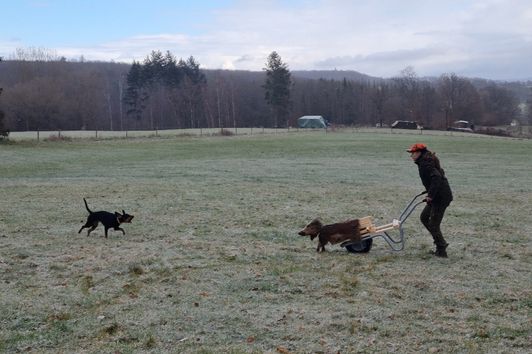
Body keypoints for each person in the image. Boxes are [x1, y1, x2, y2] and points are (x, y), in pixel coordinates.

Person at [407, 143, 453, 257]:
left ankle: (441, 249)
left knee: (433, 224)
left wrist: (430, 195)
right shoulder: (425, 161)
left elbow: (437, 177)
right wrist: (428, 191)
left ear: (418, 153)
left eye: (412, 153)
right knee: (424, 217)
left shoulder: (425, 163)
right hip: (437, 195)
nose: (411, 156)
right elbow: (434, 179)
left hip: (441, 197)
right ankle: (440, 243)